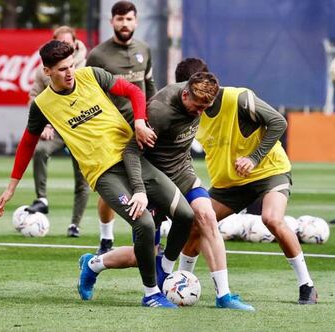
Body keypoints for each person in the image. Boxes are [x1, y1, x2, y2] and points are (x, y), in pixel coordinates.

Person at [0, 40, 194, 308]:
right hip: (103, 174)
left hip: (132, 158)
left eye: (72, 65)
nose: (70, 72)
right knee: (145, 224)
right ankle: (151, 295)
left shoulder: (92, 75)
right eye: (63, 69)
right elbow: (28, 142)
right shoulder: (43, 104)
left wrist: (138, 121)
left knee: (185, 216)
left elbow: (134, 91)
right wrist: (11, 186)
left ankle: (162, 273)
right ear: (47, 72)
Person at [177, 58, 317, 305]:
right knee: (196, 224)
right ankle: (180, 282)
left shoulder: (239, 98)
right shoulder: (187, 109)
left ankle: (307, 285)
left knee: (272, 219)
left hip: (269, 171)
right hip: (228, 183)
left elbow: (278, 122)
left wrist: (253, 158)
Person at [123, 71, 255, 311]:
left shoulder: (200, 96)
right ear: (185, 94)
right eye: (196, 107)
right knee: (138, 256)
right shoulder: (160, 112)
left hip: (183, 171)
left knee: (207, 217)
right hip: (155, 177)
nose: (200, 113)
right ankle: (94, 265)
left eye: (206, 108)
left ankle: (223, 295)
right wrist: (139, 189)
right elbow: (131, 152)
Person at [86, 0, 157, 254]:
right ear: (111, 22)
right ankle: (106, 239)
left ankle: (153, 233)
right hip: (112, 132)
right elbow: (89, 94)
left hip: (142, 127)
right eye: (119, 19)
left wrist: (152, 117)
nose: (124, 24)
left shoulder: (145, 50)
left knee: (151, 180)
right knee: (111, 187)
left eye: (129, 19)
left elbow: (149, 86)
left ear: (136, 21)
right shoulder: (97, 55)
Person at [26, 26, 89, 237]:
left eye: (67, 43)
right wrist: (44, 124)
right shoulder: (44, 70)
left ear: (75, 43)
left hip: (81, 129)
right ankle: (41, 199)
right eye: (60, 42)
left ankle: (75, 224)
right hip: (57, 128)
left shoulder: (87, 66)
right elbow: (35, 98)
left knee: (83, 178)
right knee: (40, 150)